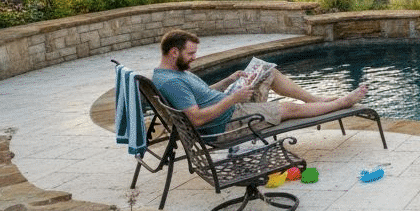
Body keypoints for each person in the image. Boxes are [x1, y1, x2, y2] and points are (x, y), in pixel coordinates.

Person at [152, 29, 367, 139]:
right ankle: (342, 103)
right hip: (227, 124)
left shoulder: (172, 72)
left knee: (267, 71)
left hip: (231, 107)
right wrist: (233, 98)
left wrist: (229, 81)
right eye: (191, 53)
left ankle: (315, 99)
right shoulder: (173, 82)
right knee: (288, 109)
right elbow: (197, 119)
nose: (195, 57)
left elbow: (204, 94)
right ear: (173, 52)